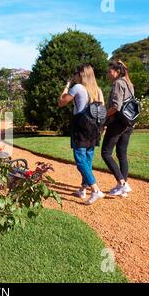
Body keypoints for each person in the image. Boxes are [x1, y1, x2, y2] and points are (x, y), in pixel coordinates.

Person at [58, 63, 105, 205]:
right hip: (94, 128)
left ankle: (95, 190)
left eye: (76, 73)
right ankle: (83, 189)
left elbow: (61, 102)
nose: (74, 75)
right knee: (88, 159)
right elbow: (102, 110)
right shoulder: (98, 90)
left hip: (81, 126)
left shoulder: (77, 87)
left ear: (81, 74)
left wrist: (67, 85)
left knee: (80, 160)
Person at [101, 60, 134, 198]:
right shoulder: (128, 83)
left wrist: (102, 116)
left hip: (117, 123)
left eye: (110, 71)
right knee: (121, 154)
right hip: (128, 123)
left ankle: (122, 184)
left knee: (106, 153)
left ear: (117, 71)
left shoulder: (118, 83)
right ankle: (123, 186)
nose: (108, 74)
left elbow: (115, 106)